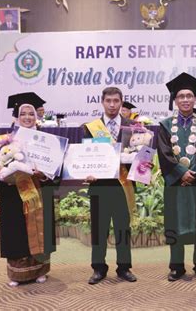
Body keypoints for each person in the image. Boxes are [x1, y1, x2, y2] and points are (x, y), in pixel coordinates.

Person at [0, 92, 57, 287]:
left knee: (40, 229)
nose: (27, 117)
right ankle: (17, 274)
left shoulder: (46, 140)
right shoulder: (3, 141)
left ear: (37, 116)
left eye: (31, 114)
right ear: (16, 116)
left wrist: (44, 174)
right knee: (17, 233)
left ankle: (40, 270)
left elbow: (56, 173)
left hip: (39, 192)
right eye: (23, 113)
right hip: (13, 195)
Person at [157, 73, 196, 281]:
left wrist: (194, 173)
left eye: (189, 95)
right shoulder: (164, 125)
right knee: (173, 223)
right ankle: (177, 266)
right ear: (175, 100)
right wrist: (181, 173)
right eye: (181, 96)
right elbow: (164, 153)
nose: (185, 100)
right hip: (175, 183)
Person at [83, 86, 138, 284]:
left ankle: (124, 267)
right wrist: (86, 171)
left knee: (123, 228)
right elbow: (86, 156)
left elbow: (139, 157)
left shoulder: (133, 127)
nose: (113, 105)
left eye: (116, 101)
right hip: (99, 186)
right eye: (109, 101)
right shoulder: (91, 127)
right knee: (99, 228)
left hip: (123, 185)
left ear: (121, 102)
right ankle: (98, 268)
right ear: (102, 102)